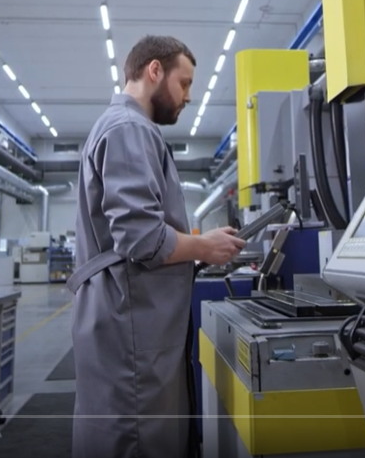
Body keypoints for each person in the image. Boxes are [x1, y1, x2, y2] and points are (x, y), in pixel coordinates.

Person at [68, 35, 247, 458]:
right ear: (154, 71)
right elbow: (141, 237)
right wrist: (204, 247)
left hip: (126, 319)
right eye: (184, 83)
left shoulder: (124, 126)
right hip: (131, 322)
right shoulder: (129, 128)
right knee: (138, 438)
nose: (188, 96)